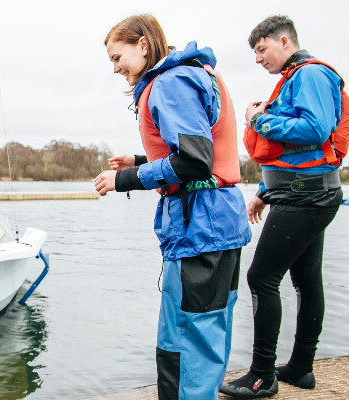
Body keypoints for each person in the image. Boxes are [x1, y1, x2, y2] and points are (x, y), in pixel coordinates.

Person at [95, 14, 251, 400]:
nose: (116, 69)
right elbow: (200, 151)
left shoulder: (170, 82)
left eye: (118, 58)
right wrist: (140, 159)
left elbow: (194, 160)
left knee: (185, 335)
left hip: (199, 226)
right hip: (220, 221)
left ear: (143, 46)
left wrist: (126, 181)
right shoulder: (193, 74)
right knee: (210, 328)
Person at [220, 16, 345, 398]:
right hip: (300, 192)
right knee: (306, 280)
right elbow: (292, 158)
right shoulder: (294, 79)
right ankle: (301, 369)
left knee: (261, 278)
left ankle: (261, 376)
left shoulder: (310, 75)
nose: (258, 58)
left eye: (261, 49)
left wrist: (259, 119)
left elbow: (315, 130)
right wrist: (264, 190)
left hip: (308, 196)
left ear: (284, 40)